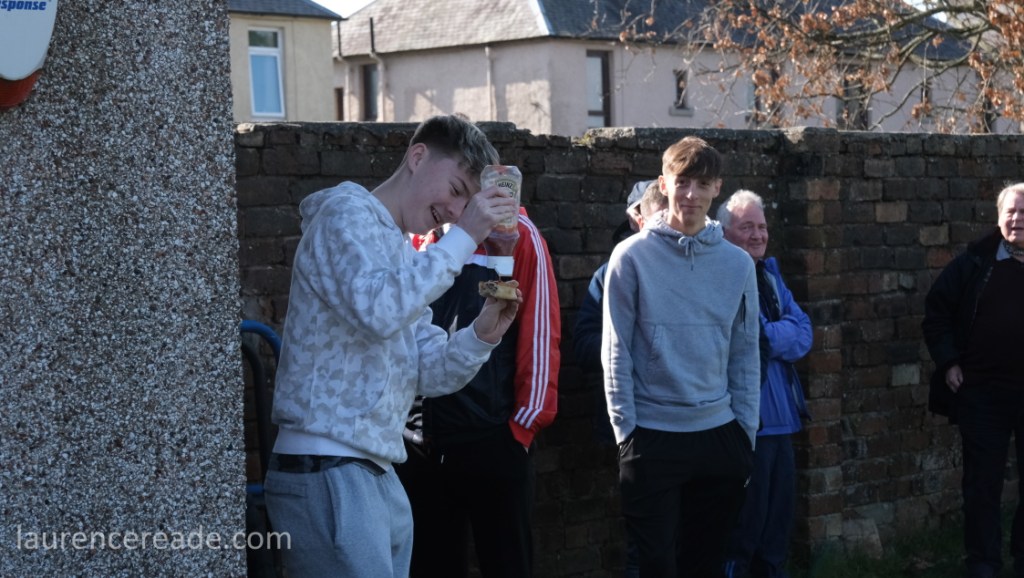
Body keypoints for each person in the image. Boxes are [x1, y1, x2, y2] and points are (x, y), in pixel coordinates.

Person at [263, 114, 522, 578]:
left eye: (467, 203)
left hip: (371, 469)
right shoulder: (344, 214)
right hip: (326, 466)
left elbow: (426, 370)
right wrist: (465, 237)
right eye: (457, 189)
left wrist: (483, 333)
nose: (457, 211)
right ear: (417, 156)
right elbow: (378, 310)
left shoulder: (401, 250)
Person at [602, 136, 760, 577]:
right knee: (656, 565)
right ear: (664, 183)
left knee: (705, 565)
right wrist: (626, 435)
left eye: (702, 184)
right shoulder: (630, 257)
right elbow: (615, 350)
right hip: (652, 435)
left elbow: (745, 353)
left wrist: (745, 434)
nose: (691, 194)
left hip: (719, 436)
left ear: (717, 189)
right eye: (682, 181)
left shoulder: (738, 265)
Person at [396, 201, 560, 578]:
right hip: (420, 442)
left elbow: (540, 333)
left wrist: (522, 430)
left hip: (494, 438)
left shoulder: (519, 234)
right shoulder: (419, 234)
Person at [922, 182, 1024, 578]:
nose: (1017, 219)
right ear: (998, 217)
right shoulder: (973, 263)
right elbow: (937, 314)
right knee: (982, 486)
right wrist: (949, 361)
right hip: (982, 394)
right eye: (1010, 211)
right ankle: (983, 564)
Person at [717, 190, 813, 578]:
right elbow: (743, 339)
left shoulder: (771, 275)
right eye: (747, 227)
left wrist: (769, 335)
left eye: (762, 227)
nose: (757, 235)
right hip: (746, 425)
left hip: (782, 423)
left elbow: (804, 333)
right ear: (724, 231)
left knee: (776, 533)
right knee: (743, 532)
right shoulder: (722, 276)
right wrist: (775, 333)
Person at [575, 179, 665, 578]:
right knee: (643, 540)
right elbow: (582, 345)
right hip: (636, 425)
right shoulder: (610, 273)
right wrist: (628, 346)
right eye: (657, 213)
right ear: (635, 218)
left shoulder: (696, 267)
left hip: (687, 421)